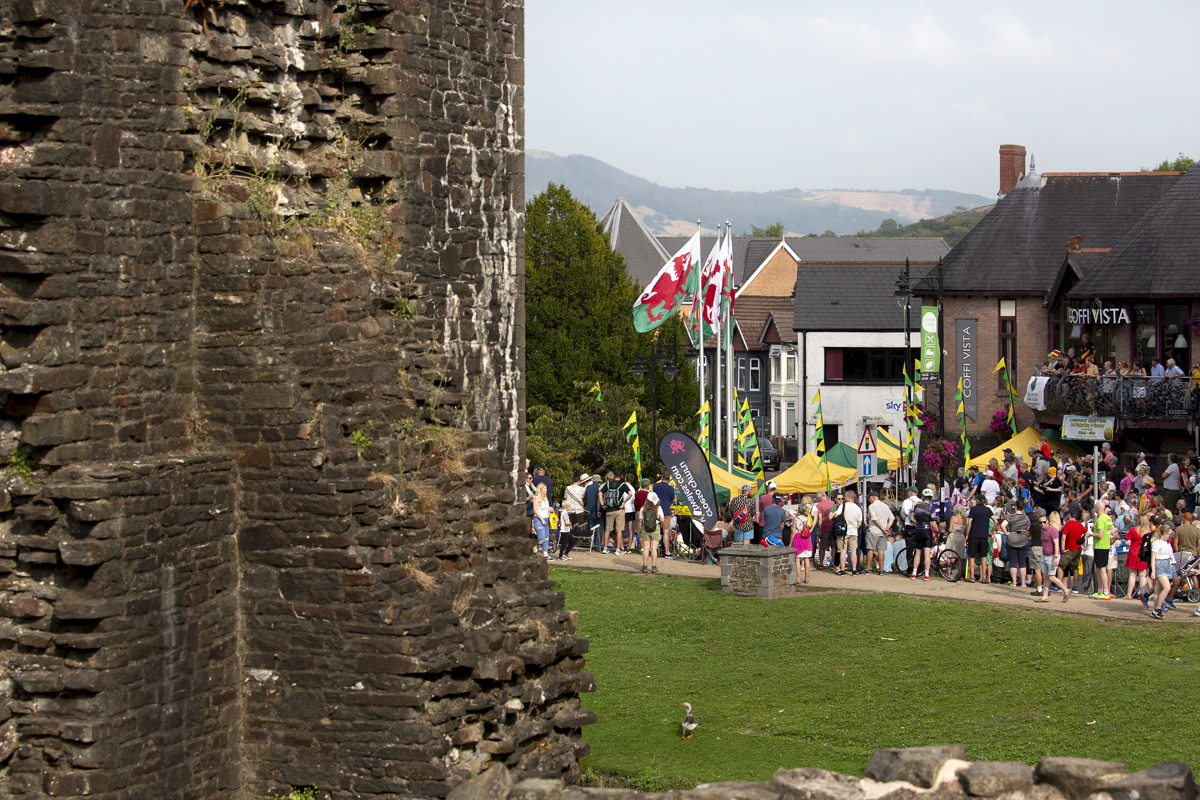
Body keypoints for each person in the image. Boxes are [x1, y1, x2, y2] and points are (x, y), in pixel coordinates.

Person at [1033, 511, 1071, 602]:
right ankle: (1045, 595)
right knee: (1045, 576)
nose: (1042, 524)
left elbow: (1056, 544)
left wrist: (1056, 557)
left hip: (1052, 555)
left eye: (1044, 522)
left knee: (1051, 576)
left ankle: (1066, 590)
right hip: (1044, 555)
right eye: (1040, 522)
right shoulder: (1042, 530)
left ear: (1048, 521)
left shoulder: (1052, 530)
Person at [1148, 525, 1177, 619]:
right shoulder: (1156, 543)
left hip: (1167, 564)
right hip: (1159, 564)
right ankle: (1158, 608)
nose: (1170, 535)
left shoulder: (1166, 543)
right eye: (1169, 534)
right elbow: (1153, 557)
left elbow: (1170, 555)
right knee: (1167, 587)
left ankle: (1155, 609)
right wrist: (1153, 571)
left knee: (1159, 590)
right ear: (1165, 533)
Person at [833, 490, 863, 575]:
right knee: (853, 551)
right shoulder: (858, 508)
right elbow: (860, 522)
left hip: (843, 531)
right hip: (854, 532)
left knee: (842, 550)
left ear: (849, 497)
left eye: (845, 496)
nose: (844, 498)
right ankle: (854, 569)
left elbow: (836, 515)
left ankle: (842, 569)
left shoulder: (843, 506)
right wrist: (854, 528)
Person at [1125, 513, 1153, 603]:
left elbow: (1128, 541)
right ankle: (1143, 595)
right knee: (1143, 575)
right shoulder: (1149, 532)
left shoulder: (1133, 530)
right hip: (1144, 553)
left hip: (1133, 552)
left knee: (1132, 575)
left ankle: (1129, 594)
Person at [864, 490, 893, 575]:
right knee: (881, 550)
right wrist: (887, 527)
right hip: (883, 532)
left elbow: (874, 519)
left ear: (873, 498)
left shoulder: (872, 506)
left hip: (874, 530)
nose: (869, 500)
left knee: (870, 549)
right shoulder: (885, 506)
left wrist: (883, 528)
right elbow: (892, 518)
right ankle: (881, 569)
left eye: (869, 498)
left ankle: (868, 569)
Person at [965, 495, 993, 583]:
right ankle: (983, 577)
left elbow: (970, 523)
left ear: (977, 501)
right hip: (984, 535)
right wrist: (991, 532)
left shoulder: (973, 509)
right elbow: (995, 521)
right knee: (983, 557)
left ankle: (972, 577)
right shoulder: (988, 510)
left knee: (972, 556)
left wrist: (967, 535)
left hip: (974, 535)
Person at [1058, 508, 1086, 596]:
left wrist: (1062, 549)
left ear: (1069, 515)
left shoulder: (1068, 524)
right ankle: (1075, 587)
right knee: (1075, 568)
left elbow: (1063, 537)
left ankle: (1059, 586)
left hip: (1069, 549)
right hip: (1077, 549)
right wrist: (1081, 541)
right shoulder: (1079, 524)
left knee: (1061, 566)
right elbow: (1087, 533)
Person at [1090, 506, 1115, 600]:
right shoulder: (1108, 518)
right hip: (1105, 545)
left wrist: (1091, 534)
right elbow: (1112, 531)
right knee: (1098, 569)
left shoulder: (1100, 519)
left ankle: (1105, 592)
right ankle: (1100, 591)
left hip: (1100, 546)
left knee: (1102, 569)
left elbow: (1100, 535)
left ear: (1097, 508)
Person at [910, 488, 935, 580]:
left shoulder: (917, 507)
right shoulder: (932, 509)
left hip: (918, 529)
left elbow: (914, 517)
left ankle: (914, 573)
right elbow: (933, 523)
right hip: (927, 530)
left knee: (918, 552)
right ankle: (927, 574)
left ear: (923, 497)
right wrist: (937, 530)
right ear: (931, 498)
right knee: (927, 553)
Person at [1005, 502, 1031, 590]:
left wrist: (1006, 533)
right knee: (1022, 562)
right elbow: (1028, 529)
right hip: (1023, 539)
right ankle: (1023, 583)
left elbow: (1003, 525)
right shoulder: (1026, 518)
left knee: (1013, 561)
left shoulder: (1010, 517)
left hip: (1012, 538)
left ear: (1015, 507)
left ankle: (1014, 582)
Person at [651, 474, 676, 556]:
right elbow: (673, 499)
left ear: (661, 477)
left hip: (655, 511)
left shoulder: (655, 486)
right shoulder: (670, 488)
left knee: (654, 530)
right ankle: (667, 552)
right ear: (669, 479)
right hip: (666, 511)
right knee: (666, 532)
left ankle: (653, 549)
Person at [639, 491, 664, 574]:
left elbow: (640, 520)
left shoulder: (643, 508)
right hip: (655, 528)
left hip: (645, 529)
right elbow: (662, 520)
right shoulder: (658, 508)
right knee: (654, 548)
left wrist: (639, 530)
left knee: (646, 548)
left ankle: (645, 566)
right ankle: (653, 566)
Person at [792, 504, 814, 584]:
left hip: (798, 538)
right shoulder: (808, 518)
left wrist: (790, 542)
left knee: (797, 559)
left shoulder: (796, 519)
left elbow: (793, 530)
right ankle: (807, 578)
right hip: (807, 538)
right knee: (806, 558)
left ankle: (798, 578)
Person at [814, 490, 835, 569]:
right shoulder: (832, 503)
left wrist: (819, 529)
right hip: (833, 526)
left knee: (822, 546)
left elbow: (819, 518)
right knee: (833, 546)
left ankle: (821, 563)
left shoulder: (819, 505)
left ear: (819, 498)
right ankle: (833, 563)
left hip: (824, 527)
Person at [583, 473, 603, 551]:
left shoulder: (588, 488)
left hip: (590, 511)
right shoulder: (600, 487)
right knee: (600, 529)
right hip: (598, 511)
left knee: (591, 529)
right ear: (599, 481)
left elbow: (585, 498)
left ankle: (592, 544)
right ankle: (598, 545)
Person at [532, 483, 551, 560]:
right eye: (544, 488)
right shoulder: (537, 499)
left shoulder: (546, 499)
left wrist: (550, 511)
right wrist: (542, 519)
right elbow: (535, 510)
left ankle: (545, 554)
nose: (546, 490)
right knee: (541, 538)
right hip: (539, 520)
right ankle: (532, 549)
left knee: (546, 538)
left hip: (546, 519)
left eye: (546, 488)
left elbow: (546, 509)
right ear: (540, 490)